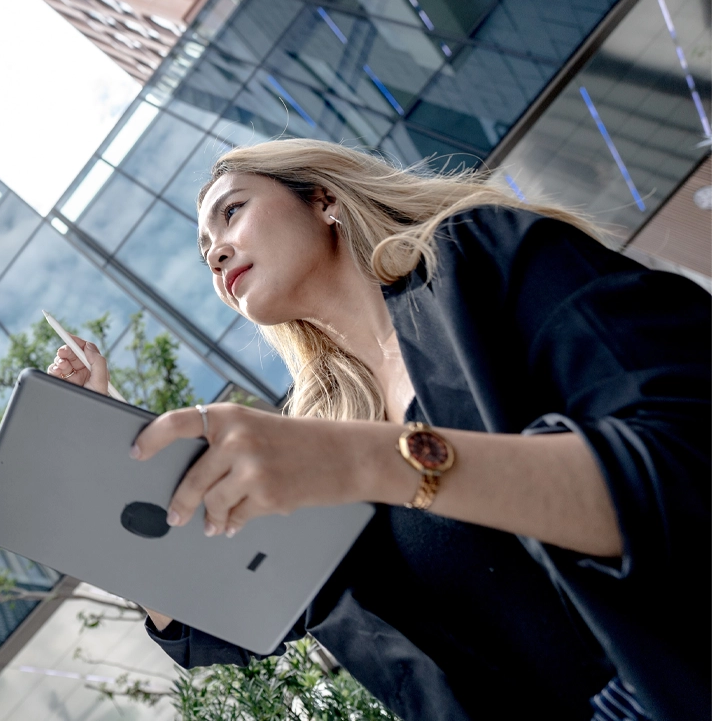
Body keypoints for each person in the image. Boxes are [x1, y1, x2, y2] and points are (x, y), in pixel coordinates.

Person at [46, 139, 711, 721]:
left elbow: (685, 464)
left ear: (323, 199)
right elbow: (222, 615)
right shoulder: (319, 439)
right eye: (204, 254)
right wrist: (111, 451)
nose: (216, 253)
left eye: (231, 211)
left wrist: (372, 462)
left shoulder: (479, 259)